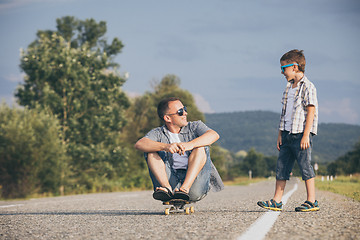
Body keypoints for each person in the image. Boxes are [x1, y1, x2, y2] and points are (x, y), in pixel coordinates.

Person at [257, 49, 320, 212]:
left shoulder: (308, 86)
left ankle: (312, 201)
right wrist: (279, 134)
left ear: (295, 67)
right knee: (282, 167)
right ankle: (276, 201)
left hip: (301, 134)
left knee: (305, 166)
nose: (282, 72)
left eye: (283, 68)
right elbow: (284, 112)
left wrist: (306, 135)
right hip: (286, 133)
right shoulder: (288, 87)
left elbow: (311, 111)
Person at [134, 97, 224, 202]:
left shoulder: (195, 126)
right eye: (180, 112)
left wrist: (191, 144)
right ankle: (166, 188)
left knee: (200, 147)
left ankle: (184, 189)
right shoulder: (158, 133)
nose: (185, 113)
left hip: (193, 185)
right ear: (168, 118)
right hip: (170, 182)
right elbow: (140, 144)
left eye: (184, 109)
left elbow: (214, 135)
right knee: (151, 152)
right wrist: (165, 147)